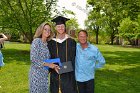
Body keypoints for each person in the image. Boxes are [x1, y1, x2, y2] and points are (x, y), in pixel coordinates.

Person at [48, 16, 78, 93]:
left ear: (65, 27)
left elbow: (74, 59)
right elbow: (48, 59)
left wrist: (63, 68)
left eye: (62, 26)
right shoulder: (51, 42)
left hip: (69, 76)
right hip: (55, 75)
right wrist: (54, 67)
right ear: (55, 28)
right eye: (58, 26)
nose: (60, 28)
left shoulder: (71, 42)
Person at [29, 22, 59, 93]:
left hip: (45, 74)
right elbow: (33, 59)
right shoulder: (36, 41)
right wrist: (49, 65)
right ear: (41, 30)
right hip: (36, 74)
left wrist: (55, 65)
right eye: (45, 29)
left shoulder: (48, 44)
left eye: (49, 30)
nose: (47, 31)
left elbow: (47, 59)